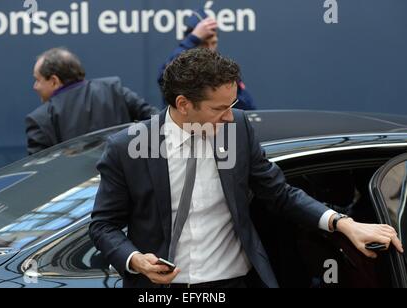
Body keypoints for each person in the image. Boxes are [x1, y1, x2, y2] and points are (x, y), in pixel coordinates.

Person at [90, 48, 403, 288]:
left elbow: (280, 193)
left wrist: (344, 223)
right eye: (219, 109)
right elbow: (104, 226)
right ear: (184, 104)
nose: (230, 117)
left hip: (234, 282)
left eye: (233, 105)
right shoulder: (127, 148)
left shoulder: (237, 129)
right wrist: (135, 260)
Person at [26, 48, 159, 155]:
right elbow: (159, 121)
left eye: (37, 80)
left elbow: (39, 174)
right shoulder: (114, 89)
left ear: (54, 81)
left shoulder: (40, 119)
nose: (35, 86)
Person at [157, 9, 256, 110]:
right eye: (203, 44)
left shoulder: (223, 71)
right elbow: (167, 77)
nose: (209, 49)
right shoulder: (180, 69)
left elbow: (248, 107)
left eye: (213, 43)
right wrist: (193, 38)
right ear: (190, 43)